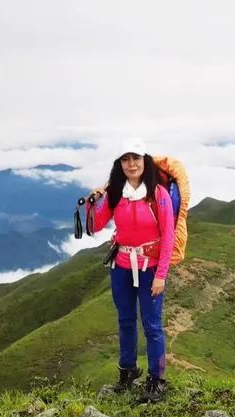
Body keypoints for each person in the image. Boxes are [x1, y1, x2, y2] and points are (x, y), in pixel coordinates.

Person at [86, 140, 175, 402]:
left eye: (135, 158)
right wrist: (94, 202)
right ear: (120, 164)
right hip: (122, 266)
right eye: (125, 159)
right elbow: (95, 226)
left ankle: (156, 379)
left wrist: (161, 275)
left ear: (144, 160)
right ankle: (128, 371)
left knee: (151, 324)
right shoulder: (116, 193)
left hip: (149, 267)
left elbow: (167, 236)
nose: (131, 164)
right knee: (125, 320)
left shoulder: (158, 194)